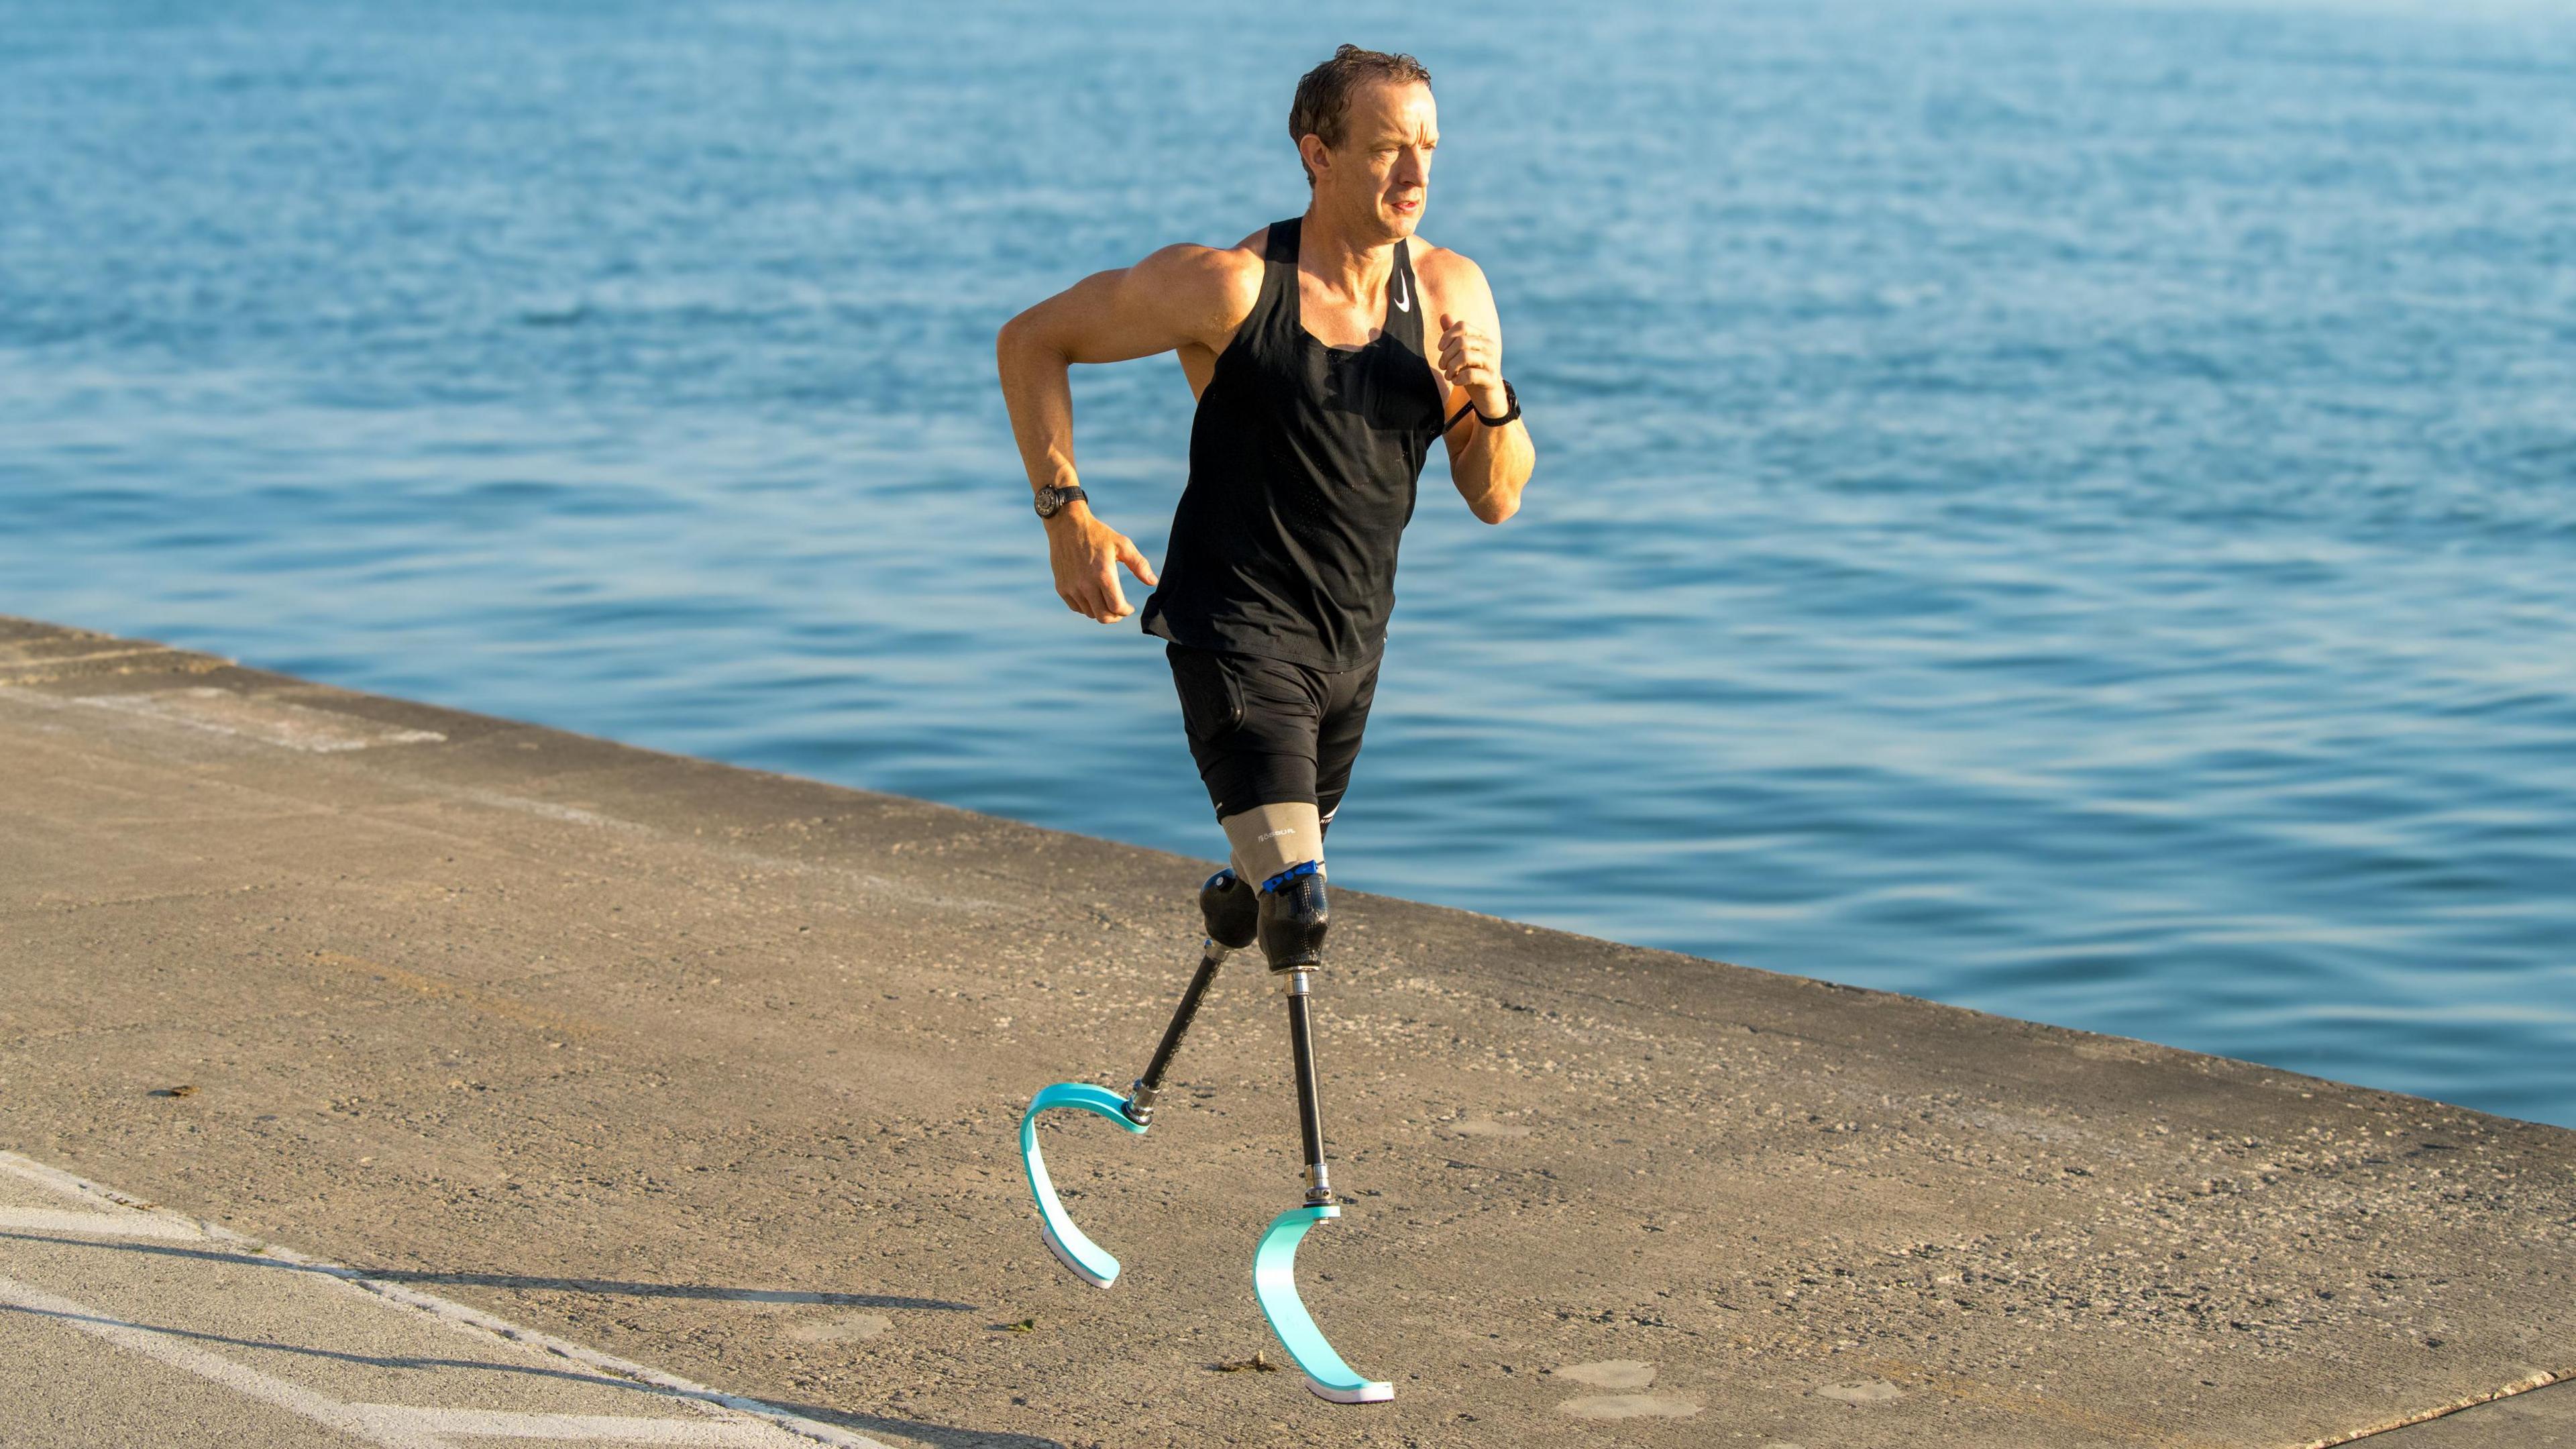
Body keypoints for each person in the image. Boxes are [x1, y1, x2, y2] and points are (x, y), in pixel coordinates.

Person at [995, 43, 1535, 964]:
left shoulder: (1452, 292)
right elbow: (1032, 341)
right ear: (1317, 154)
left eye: (1430, 149)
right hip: (1233, 631)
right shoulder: (1232, 288)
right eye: (1386, 149)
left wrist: (1491, 399)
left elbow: (1495, 499)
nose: (1415, 175)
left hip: (1353, 648)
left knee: (1270, 880)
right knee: (1302, 907)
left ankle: (1232, 908)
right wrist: (1067, 514)